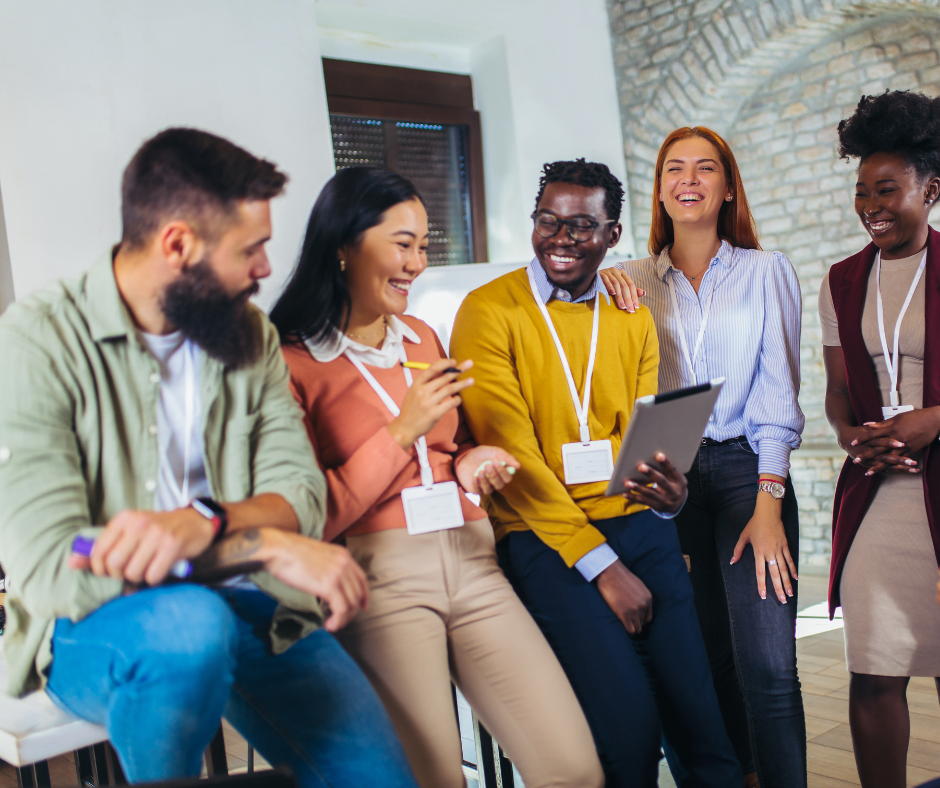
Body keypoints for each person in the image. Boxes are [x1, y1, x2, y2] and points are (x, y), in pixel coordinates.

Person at [0, 128, 418, 788]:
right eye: (249, 250)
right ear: (177, 245)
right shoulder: (35, 342)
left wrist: (209, 525)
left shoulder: (248, 334)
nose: (264, 270)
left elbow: (300, 495)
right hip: (97, 619)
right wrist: (262, 545)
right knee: (187, 627)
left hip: (252, 605)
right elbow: (56, 561)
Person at [269, 166, 603, 788]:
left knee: (574, 770)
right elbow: (309, 516)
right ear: (342, 246)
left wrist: (472, 461)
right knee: (434, 781)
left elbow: (455, 446)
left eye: (424, 246)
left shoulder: (422, 336)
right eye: (402, 244)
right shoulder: (291, 361)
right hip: (382, 580)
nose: (417, 263)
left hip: (475, 561)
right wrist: (402, 428)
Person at [450, 158, 742, 787]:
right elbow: (513, 460)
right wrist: (604, 569)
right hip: (545, 540)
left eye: (582, 227)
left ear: (613, 236)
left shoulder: (629, 310)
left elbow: (638, 438)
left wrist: (670, 494)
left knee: (705, 731)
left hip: (640, 527)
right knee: (628, 740)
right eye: (548, 222)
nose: (561, 238)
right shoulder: (487, 311)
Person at [600, 127, 806, 788]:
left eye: (705, 169)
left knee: (768, 663)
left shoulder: (764, 271)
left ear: (726, 187)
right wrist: (594, 287)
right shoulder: (626, 280)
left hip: (749, 470)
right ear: (659, 190)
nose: (688, 180)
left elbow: (779, 394)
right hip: (666, 475)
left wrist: (770, 502)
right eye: (674, 169)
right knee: (700, 657)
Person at [819, 90, 940, 788]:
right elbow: (838, 388)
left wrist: (931, 421)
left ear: (931, 188)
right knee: (872, 668)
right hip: (879, 491)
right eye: (861, 190)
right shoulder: (841, 281)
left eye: (887, 189)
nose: (870, 205)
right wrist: (848, 434)